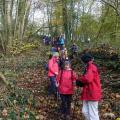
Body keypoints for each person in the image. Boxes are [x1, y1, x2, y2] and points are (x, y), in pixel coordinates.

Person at [78, 54, 102, 120]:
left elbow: (88, 78)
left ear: (85, 61)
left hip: (93, 92)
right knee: (85, 111)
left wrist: (80, 80)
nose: (82, 63)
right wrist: (81, 81)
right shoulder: (88, 67)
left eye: (82, 61)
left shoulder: (92, 66)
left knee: (93, 114)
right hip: (87, 92)